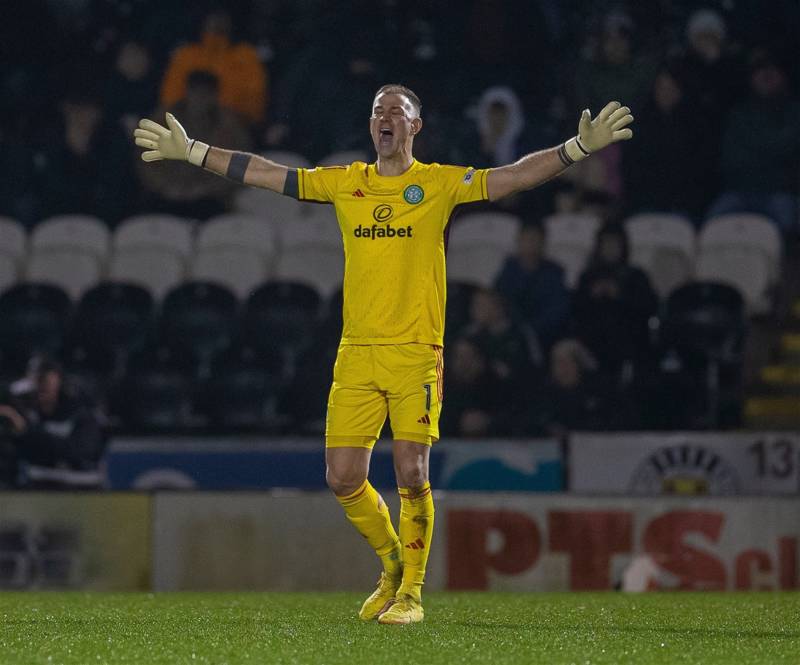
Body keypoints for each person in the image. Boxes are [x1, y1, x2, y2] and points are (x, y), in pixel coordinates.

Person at [133, 83, 633, 624]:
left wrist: (575, 150)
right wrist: (194, 152)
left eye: (397, 111)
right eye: (378, 111)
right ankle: (393, 562)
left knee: (411, 471)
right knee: (342, 477)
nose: (386, 118)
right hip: (357, 353)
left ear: (416, 126)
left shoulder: (439, 184)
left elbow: (511, 176)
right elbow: (264, 172)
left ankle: (412, 595)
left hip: (416, 352)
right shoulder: (347, 183)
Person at [0, 356, 107, 488]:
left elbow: (78, 451)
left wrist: (27, 432)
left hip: (81, 491)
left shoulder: (80, 414)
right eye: (35, 380)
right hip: (38, 489)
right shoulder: (30, 413)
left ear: (58, 381)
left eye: (44, 380)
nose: (39, 385)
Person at [572, 222, 658, 375]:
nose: (610, 248)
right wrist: (592, 295)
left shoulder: (636, 276)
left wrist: (620, 295)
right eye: (606, 243)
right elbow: (576, 308)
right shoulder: (588, 277)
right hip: (593, 342)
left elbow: (649, 306)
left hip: (628, 340)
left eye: (615, 243)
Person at [159, 8, 268, 127]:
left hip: (230, 127)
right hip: (186, 124)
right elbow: (170, 99)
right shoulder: (187, 54)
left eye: (222, 16)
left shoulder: (245, 56)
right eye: (214, 15)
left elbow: (254, 105)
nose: (218, 22)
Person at [494, 221, 570, 349]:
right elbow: (498, 301)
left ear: (543, 243)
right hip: (509, 334)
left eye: (535, 240)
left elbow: (558, 310)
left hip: (545, 337)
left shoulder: (554, 273)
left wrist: (530, 330)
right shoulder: (508, 271)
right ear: (519, 241)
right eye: (527, 239)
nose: (531, 245)